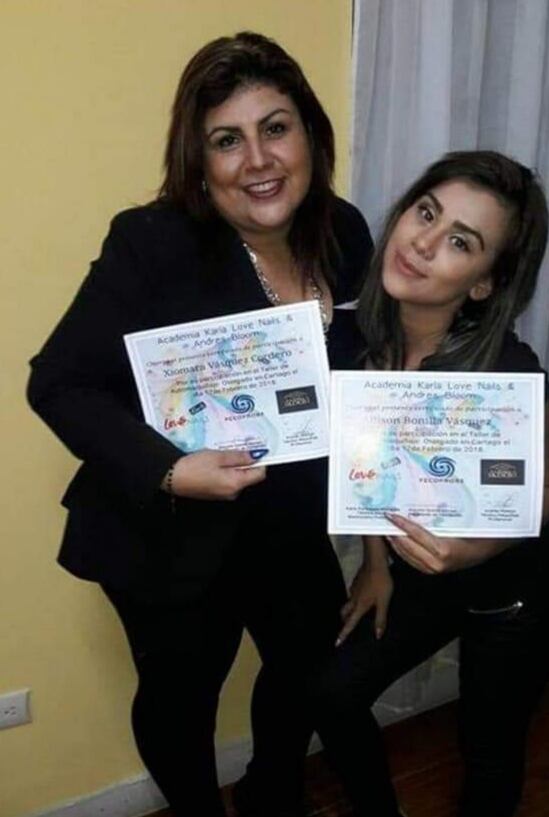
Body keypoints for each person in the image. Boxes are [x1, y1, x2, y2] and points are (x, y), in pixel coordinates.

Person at [27, 32, 372, 817]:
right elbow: (60, 382)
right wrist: (170, 469)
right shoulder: (154, 242)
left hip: (284, 517)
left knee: (306, 666)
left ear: (310, 135)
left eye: (275, 128)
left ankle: (272, 788)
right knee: (181, 698)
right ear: (199, 158)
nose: (258, 160)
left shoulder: (344, 233)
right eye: (227, 140)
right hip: (168, 531)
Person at [311, 151, 549, 817]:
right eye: (425, 213)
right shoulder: (355, 343)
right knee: (333, 694)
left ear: (484, 284)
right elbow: (369, 474)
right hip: (423, 575)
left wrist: (473, 551)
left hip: (516, 591)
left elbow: (546, 490)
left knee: (488, 750)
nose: (423, 243)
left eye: (461, 242)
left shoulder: (505, 372)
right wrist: (376, 565)